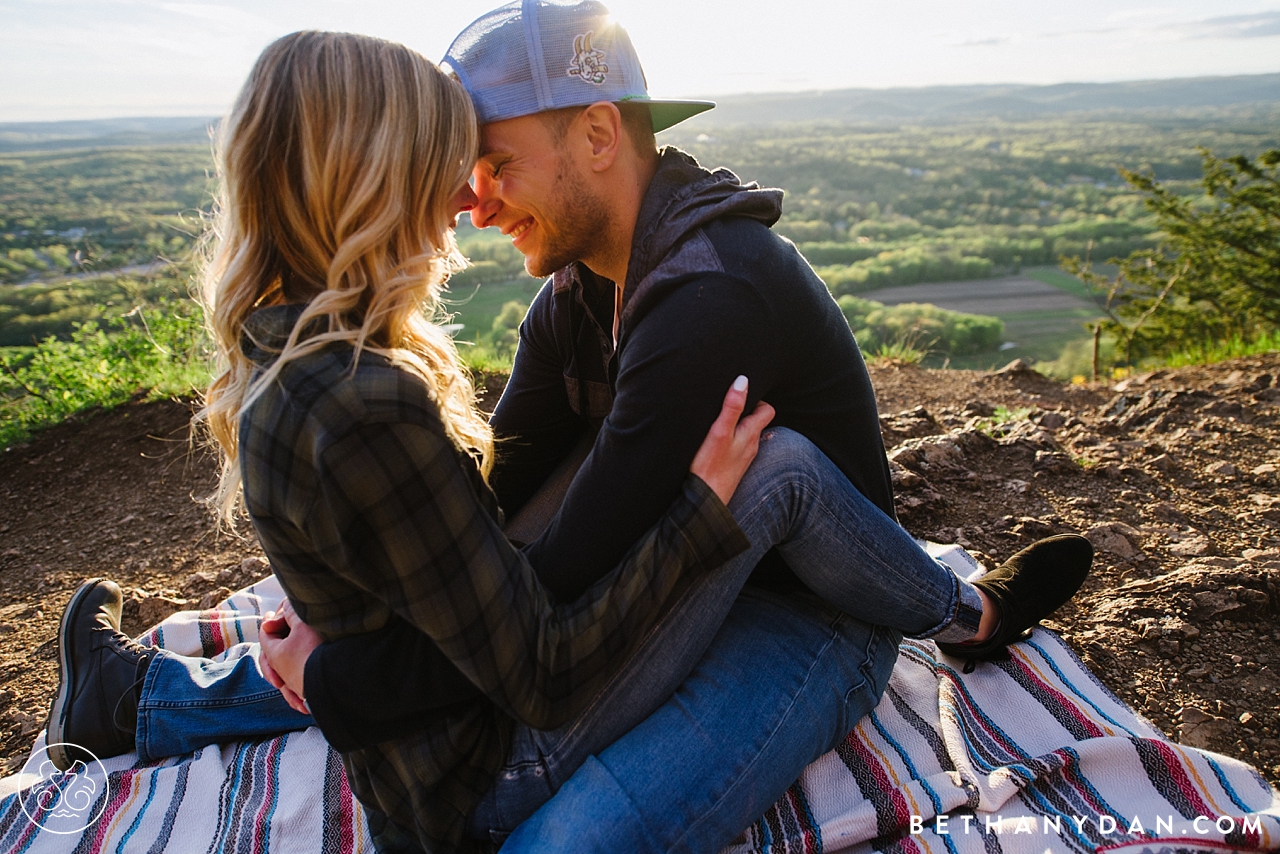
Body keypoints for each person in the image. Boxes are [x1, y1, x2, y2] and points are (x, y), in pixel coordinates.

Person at [45, 12, 1092, 854]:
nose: (471, 199)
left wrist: (340, 681)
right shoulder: (575, 297)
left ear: (596, 134)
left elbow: (548, 590)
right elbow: (487, 528)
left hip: (797, 610)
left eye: (492, 159)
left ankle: (962, 611)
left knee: (571, 812)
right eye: (458, 166)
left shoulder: (705, 303)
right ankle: (141, 695)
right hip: (650, 599)